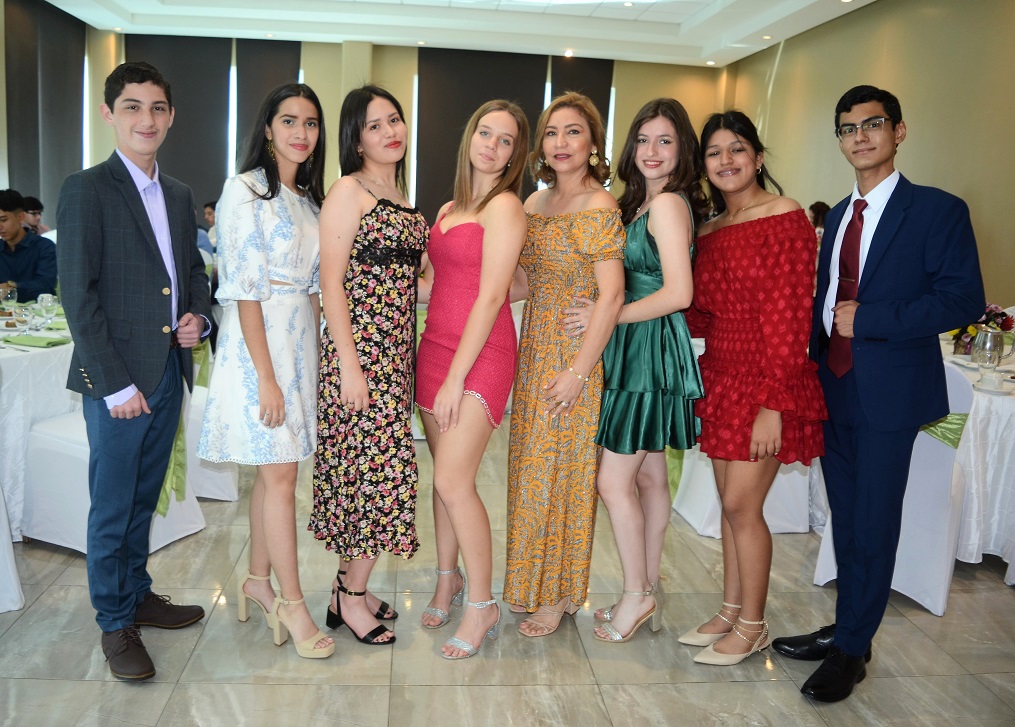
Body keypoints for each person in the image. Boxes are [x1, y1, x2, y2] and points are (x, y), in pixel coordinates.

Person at [772, 85, 984, 702]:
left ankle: (851, 650)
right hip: (833, 388)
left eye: (873, 124)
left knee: (873, 520)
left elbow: (962, 299)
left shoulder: (937, 210)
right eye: (848, 128)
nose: (860, 137)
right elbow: (824, 302)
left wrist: (870, 319)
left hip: (890, 395)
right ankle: (849, 629)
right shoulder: (839, 214)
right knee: (845, 518)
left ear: (898, 131)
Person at [55, 61, 211, 681]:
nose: (146, 119)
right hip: (118, 381)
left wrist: (199, 316)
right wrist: (114, 384)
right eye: (132, 107)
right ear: (109, 114)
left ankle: (138, 594)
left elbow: (191, 272)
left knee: (143, 498)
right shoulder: (86, 189)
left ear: (171, 116)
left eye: (157, 108)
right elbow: (78, 295)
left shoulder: (177, 193)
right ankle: (114, 621)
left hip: (169, 369)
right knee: (113, 505)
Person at [680, 110, 826, 666]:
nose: (726, 160)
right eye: (715, 152)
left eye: (737, 149)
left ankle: (754, 625)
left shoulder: (783, 216)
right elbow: (700, 313)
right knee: (729, 505)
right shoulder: (709, 230)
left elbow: (791, 317)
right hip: (721, 375)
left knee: (743, 505)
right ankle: (729, 610)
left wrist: (774, 404)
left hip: (767, 377)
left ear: (758, 157)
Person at [562, 98, 706, 643]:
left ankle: (636, 594)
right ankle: (646, 586)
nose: (652, 151)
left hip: (647, 348)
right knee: (648, 477)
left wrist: (608, 314)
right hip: (637, 345)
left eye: (665, 141)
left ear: (682, 149)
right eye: (644, 140)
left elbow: (679, 292)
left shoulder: (667, 205)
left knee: (612, 480)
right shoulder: (638, 204)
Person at [198, 83, 334, 659]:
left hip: (299, 343)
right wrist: (268, 378)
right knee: (281, 478)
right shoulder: (244, 190)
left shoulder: (309, 199)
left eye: (311, 122)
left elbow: (317, 289)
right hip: (259, 348)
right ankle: (292, 604)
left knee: (272, 475)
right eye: (289, 120)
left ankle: (257, 580)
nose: (301, 132)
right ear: (268, 128)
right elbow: (244, 290)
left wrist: (319, 359)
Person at [309, 85, 428, 646]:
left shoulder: (401, 196)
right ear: (356, 139)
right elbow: (331, 283)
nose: (390, 132)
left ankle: (345, 588)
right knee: (379, 478)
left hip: (395, 357)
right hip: (357, 357)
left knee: (369, 474)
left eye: (394, 120)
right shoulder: (348, 191)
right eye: (375, 125)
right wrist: (351, 369)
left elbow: (410, 284)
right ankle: (353, 598)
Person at [503, 91, 625, 637]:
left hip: (577, 357)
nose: (560, 142)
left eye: (573, 131)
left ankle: (558, 595)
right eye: (551, 132)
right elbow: (524, 283)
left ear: (593, 142)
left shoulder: (600, 205)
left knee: (565, 476)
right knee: (532, 474)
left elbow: (612, 295)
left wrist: (578, 373)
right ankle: (529, 584)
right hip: (533, 352)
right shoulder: (534, 202)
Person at [415, 100, 529, 658]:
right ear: (470, 137)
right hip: (434, 348)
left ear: (514, 156)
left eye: (506, 140)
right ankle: (447, 580)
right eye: (485, 133)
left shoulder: (505, 207)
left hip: (479, 356)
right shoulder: (448, 208)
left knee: (453, 481)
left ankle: (482, 604)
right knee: (443, 481)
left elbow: (490, 297)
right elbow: (434, 285)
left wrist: (456, 378)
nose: (492, 145)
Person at [0, 189, 57, 301]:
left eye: (3, 220)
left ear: (20, 217)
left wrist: (11, 287)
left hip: (39, 310)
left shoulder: (44, 247)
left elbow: (45, 285)